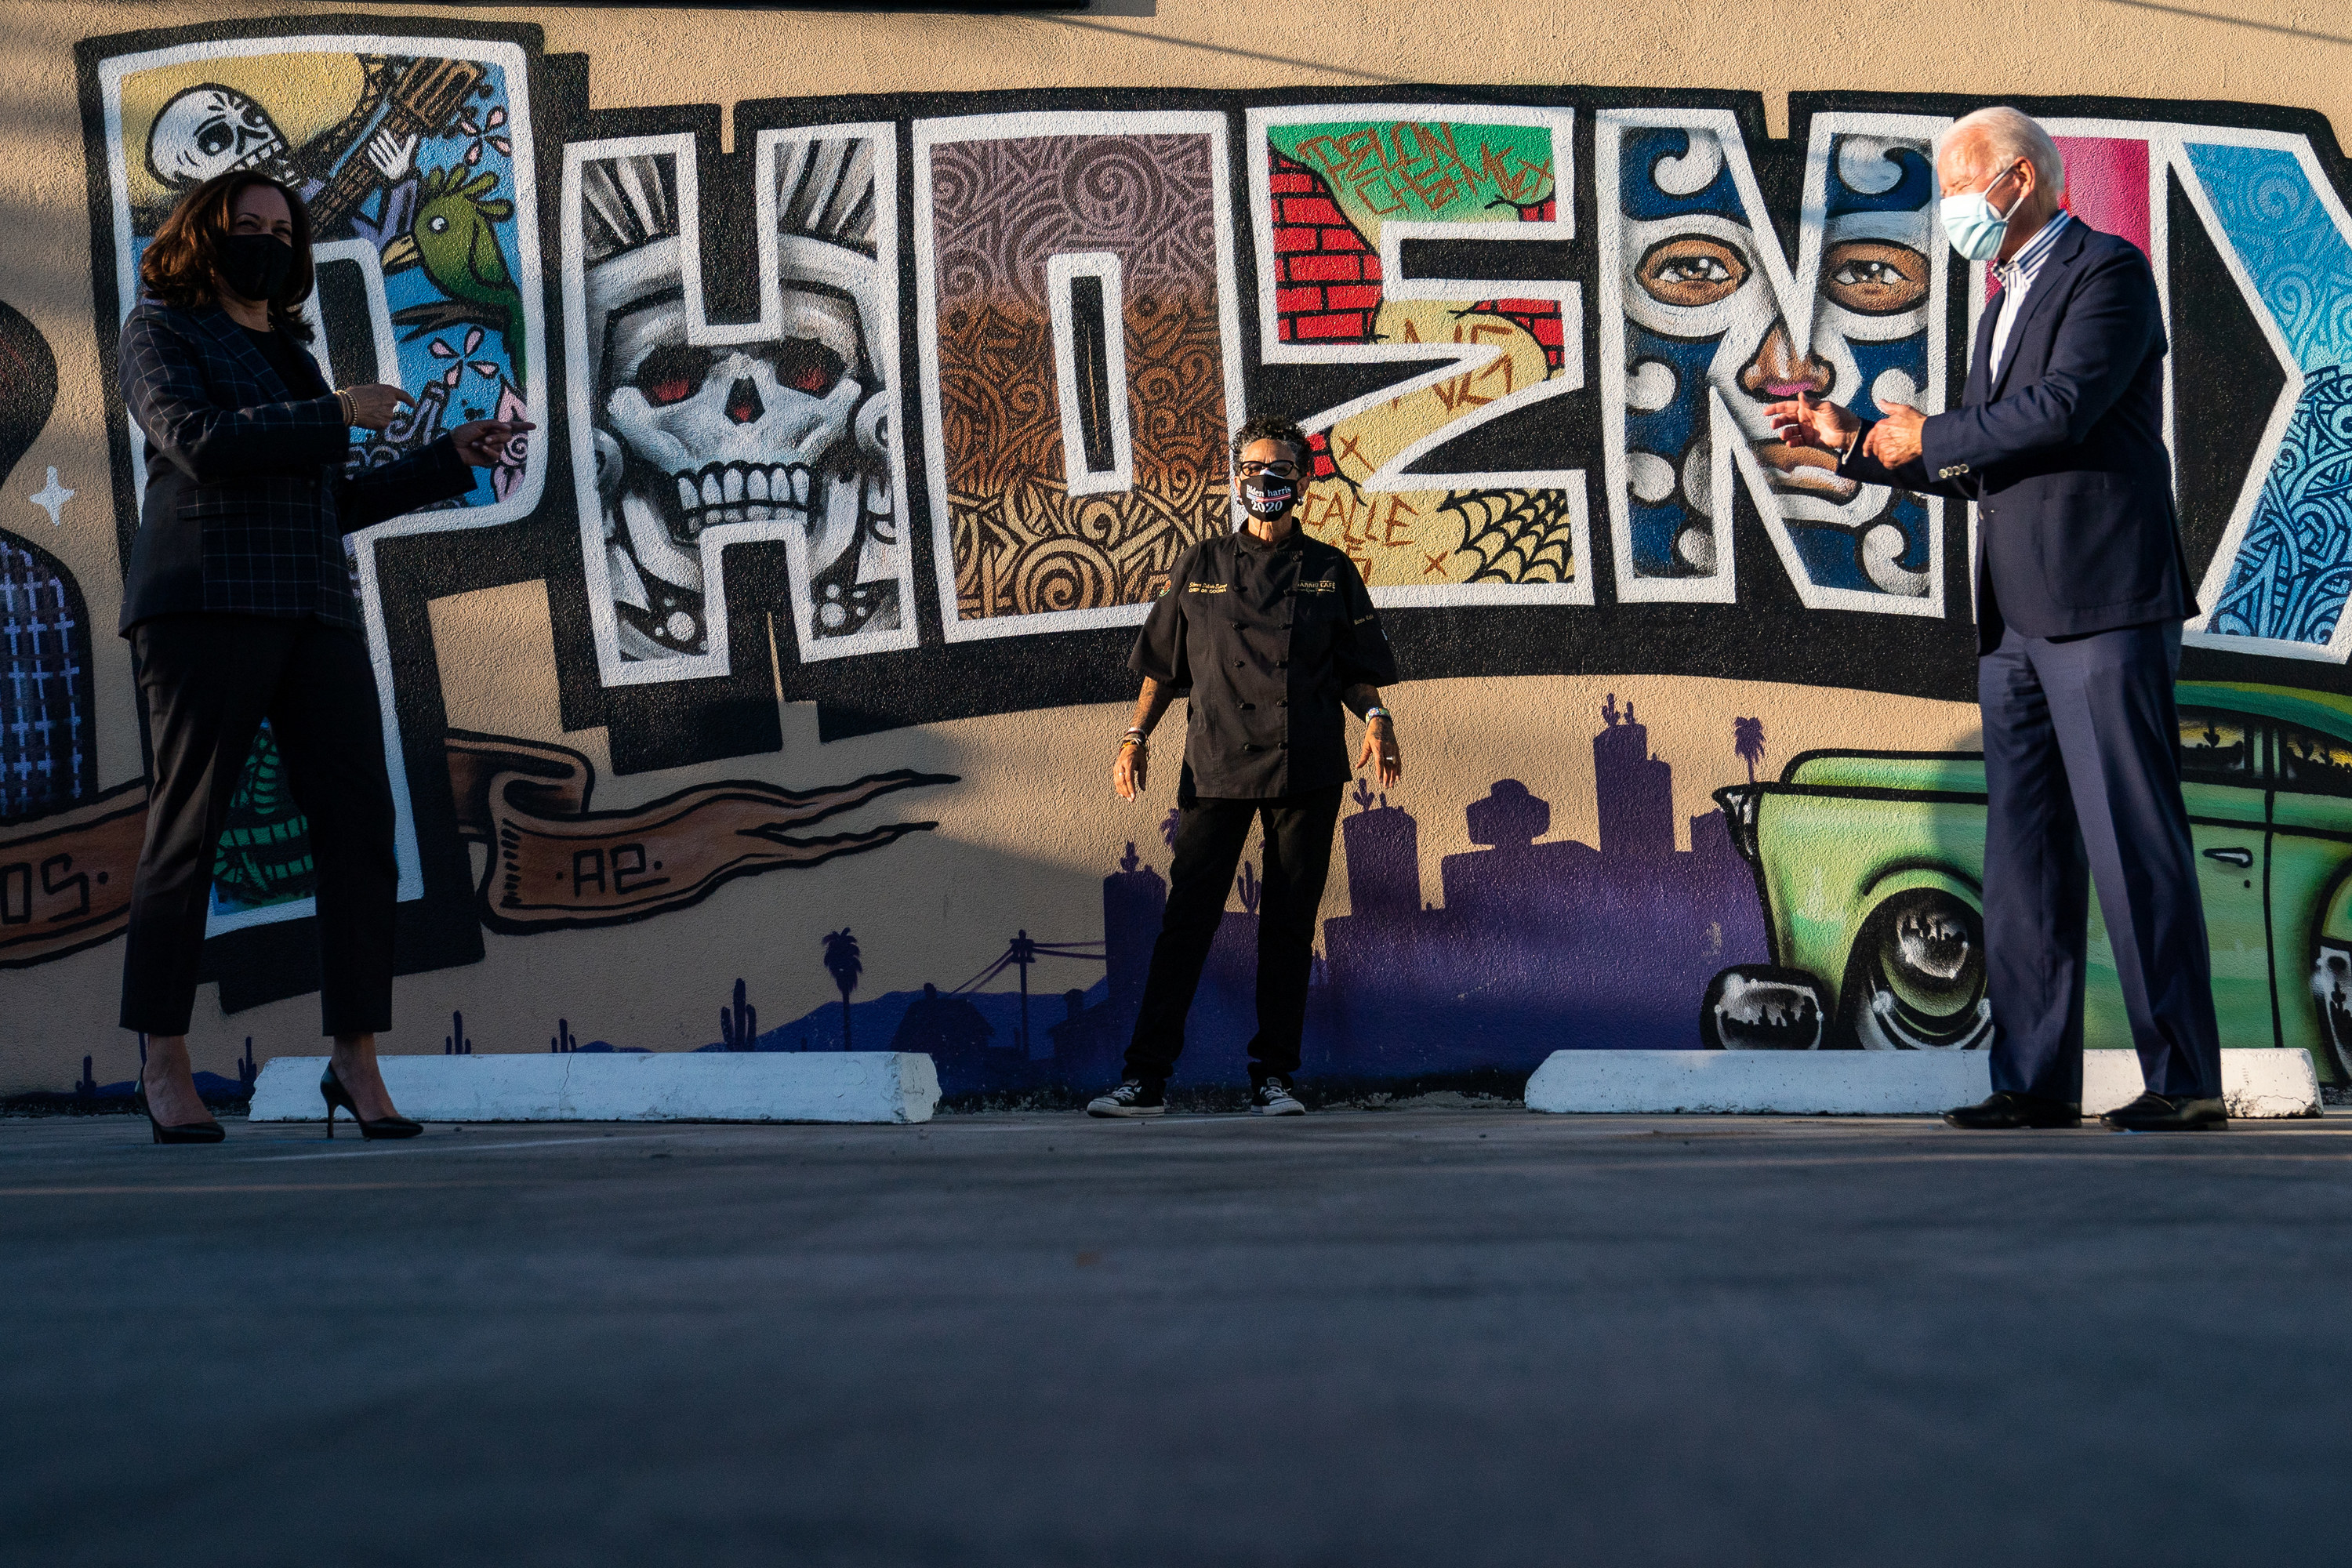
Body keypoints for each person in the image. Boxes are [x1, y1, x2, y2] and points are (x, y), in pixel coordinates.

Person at [1769, 107, 2223, 1131]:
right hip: (2015, 623)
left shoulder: (2107, 273)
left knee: (2130, 843)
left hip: (2104, 604)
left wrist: (1925, 430)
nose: (1951, 209)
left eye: (1958, 184)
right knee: (2026, 858)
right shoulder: (2001, 303)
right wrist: (1855, 445)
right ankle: (2031, 1080)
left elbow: (2060, 410)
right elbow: (1989, 462)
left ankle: (2186, 1079)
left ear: (2016, 182)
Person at [117, 170, 532, 1142]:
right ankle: (165, 1060)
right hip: (207, 603)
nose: (265, 239)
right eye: (245, 225)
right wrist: (340, 412)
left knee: (360, 828)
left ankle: (354, 1058)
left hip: (312, 605)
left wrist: (444, 459)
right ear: (203, 234)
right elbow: (199, 441)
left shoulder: (293, 354)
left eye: (279, 228)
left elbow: (325, 503)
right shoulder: (162, 331)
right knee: (190, 829)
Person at [1088, 414, 1400, 1119]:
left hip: (1308, 769)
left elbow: (1355, 672)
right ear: (1237, 482)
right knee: (1186, 925)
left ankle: (1274, 1079)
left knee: (1289, 928)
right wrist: (1135, 736)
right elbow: (1163, 669)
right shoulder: (1199, 567)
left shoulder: (1330, 571)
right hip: (1216, 769)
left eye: (1280, 472)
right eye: (1255, 470)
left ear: (1303, 484)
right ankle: (1145, 1078)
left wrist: (1378, 719)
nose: (1267, 482)